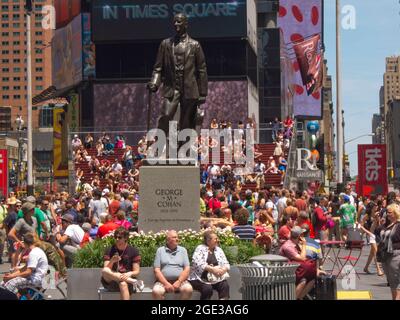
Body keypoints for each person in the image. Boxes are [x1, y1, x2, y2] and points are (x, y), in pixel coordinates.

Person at [148, 13, 208, 136]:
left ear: (186, 24)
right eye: (175, 21)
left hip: (189, 88)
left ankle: (183, 148)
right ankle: (162, 143)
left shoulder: (195, 45)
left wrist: (203, 93)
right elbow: (158, 68)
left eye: (179, 22)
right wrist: (154, 83)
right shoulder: (165, 44)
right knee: (166, 115)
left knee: (186, 122)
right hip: (172, 87)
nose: (176, 24)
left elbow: (202, 70)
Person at [101, 227, 144, 300]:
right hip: (112, 281)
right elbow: (106, 270)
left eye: (119, 237)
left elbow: (136, 271)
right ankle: (135, 281)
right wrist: (112, 261)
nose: (117, 239)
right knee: (105, 270)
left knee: (123, 284)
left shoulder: (133, 251)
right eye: (115, 237)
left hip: (127, 281)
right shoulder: (109, 250)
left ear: (126, 238)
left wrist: (129, 274)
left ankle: (132, 281)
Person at [1, 232, 48, 297]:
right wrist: (11, 275)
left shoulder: (34, 253)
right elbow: (24, 269)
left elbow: (28, 272)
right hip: (33, 277)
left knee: (10, 283)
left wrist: (12, 277)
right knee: (4, 281)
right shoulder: (35, 251)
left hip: (36, 279)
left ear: (25, 243)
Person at [189, 230, 230, 300]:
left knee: (224, 285)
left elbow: (226, 263)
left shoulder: (219, 250)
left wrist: (223, 270)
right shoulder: (200, 248)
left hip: (216, 278)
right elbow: (197, 263)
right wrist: (212, 269)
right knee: (207, 289)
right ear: (208, 240)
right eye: (215, 239)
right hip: (200, 278)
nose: (217, 240)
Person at [152, 230, 192, 300]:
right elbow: (156, 270)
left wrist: (179, 281)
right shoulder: (160, 250)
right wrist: (166, 283)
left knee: (188, 289)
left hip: (180, 281)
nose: (177, 239)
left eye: (177, 237)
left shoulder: (183, 250)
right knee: (156, 291)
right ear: (168, 240)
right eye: (174, 237)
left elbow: (187, 269)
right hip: (163, 281)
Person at [279, 226, 317, 300]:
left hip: (293, 269)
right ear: (300, 236)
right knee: (303, 280)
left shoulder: (295, 244)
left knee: (313, 278)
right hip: (285, 271)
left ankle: (299, 297)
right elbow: (302, 258)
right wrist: (304, 245)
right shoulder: (288, 246)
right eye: (302, 235)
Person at [378, 204, 400, 300]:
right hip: (385, 256)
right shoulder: (387, 224)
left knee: (397, 284)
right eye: (387, 212)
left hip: (396, 256)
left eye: (390, 212)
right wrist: (376, 221)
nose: (387, 214)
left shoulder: (398, 225)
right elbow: (375, 232)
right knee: (392, 284)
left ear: (396, 213)